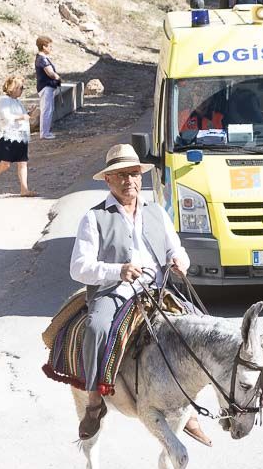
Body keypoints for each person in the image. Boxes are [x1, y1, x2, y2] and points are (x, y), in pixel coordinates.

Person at [69, 144, 211, 445]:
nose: (129, 181)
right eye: (120, 175)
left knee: (201, 328)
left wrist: (179, 262)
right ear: (108, 180)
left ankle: (190, 410)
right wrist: (117, 270)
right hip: (115, 292)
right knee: (96, 327)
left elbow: (176, 248)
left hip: (157, 291)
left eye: (133, 174)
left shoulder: (157, 212)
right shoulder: (94, 218)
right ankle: (94, 400)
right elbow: (78, 268)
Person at [0, 76, 36, 198]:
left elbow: (20, 116)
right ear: (14, 88)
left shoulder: (18, 102)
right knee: (5, 164)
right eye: (21, 87)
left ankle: (24, 189)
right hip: (8, 136)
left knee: (22, 163)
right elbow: (5, 117)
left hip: (20, 136)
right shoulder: (3, 100)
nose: (22, 90)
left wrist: (28, 114)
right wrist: (22, 117)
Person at [34, 36, 62, 140]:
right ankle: (44, 133)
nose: (51, 48)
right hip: (46, 87)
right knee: (46, 110)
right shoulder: (42, 59)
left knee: (48, 109)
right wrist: (57, 76)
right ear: (44, 47)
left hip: (48, 87)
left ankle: (46, 131)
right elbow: (50, 73)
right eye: (50, 46)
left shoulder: (42, 58)